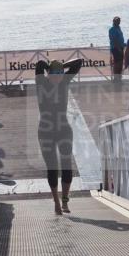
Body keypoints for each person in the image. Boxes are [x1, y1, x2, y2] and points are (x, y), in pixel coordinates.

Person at [35, 58, 84, 215]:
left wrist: (61, 67)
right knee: (52, 167)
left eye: (60, 73)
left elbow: (79, 62)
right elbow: (39, 64)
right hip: (45, 130)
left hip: (63, 129)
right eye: (54, 73)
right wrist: (51, 67)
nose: (57, 76)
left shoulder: (64, 82)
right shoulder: (41, 83)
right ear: (48, 74)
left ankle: (64, 201)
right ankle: (56, 201)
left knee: (66, 165)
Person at [108, 16, 126, 86]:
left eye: (119, 21)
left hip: (121, 47)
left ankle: (119, 78)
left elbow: (120, 38)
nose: (118, 22)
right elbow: (113, 40)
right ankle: (116, 79)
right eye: (116, 21)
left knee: (121, 63)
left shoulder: (119, 28)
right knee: (117, 63)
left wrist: (123, 44)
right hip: (115, 48)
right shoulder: (112, 29)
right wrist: (118, 48)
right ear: (113, 21)